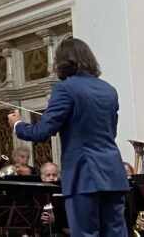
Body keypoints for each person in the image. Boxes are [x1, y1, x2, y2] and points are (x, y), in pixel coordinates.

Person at [8, 37, 129, 237]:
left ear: (63, 62)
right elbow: (111, 132)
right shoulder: (109, 90)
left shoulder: (65, 88)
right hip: (113, 175)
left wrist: (17, 125)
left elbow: (42, 132)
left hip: (83, 175)